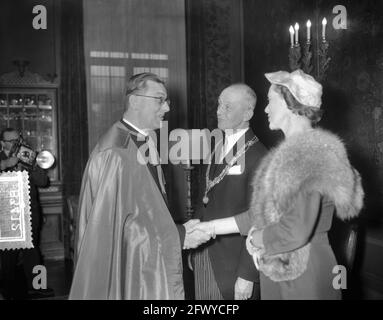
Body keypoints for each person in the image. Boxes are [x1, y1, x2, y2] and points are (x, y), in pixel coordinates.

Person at [192, 69, 364, 299]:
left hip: (302, 271)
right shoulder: (293, 152)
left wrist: (255, 239)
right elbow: (265, 214)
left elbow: (295, 229)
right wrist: (211, 228)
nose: (265, 109)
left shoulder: (305, 155)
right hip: (285, 264)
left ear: (290, 104)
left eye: (271, 101)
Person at [69, 72, 209, 300]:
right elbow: (115, 233)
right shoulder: (115, 153)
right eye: (160, 100)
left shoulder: (143, 140)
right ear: (134, 101)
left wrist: (178, 229)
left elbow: (144, 213)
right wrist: (179, 235)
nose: (167, 108)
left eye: (167, 101)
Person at [189, 84, 267, 300]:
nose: (218, 111)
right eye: (219, 104)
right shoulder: (216, 146)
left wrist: (248, 274)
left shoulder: (260, 156)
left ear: (247, 113)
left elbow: (260, 219)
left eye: (228, 107)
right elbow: (204, 197)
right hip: (205, 254)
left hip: (233, 266)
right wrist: (193, 245)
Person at [0, 128, 50, 299]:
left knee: (34, 250)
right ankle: (5, 289)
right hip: (6, 213)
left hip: (29, 211)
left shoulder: (27, 155)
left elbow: (43, 182)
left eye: (17, 139)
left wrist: (34, 164)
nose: (15, 143)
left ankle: (39, 286)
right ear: (2, 143)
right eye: (10, 141)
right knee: (7, 253)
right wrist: (6, 164)